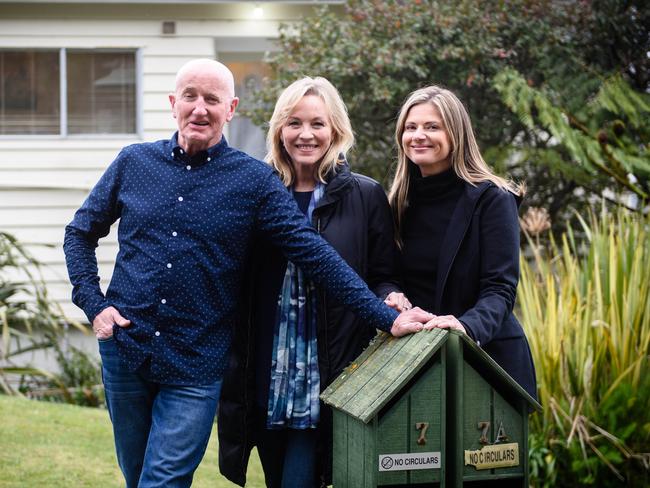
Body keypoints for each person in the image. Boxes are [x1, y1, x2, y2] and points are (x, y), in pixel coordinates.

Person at [63, 59, 432, 488]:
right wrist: (95, 305)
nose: (200, 109)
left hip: (196, 362)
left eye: (212, 99)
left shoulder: (252, 182)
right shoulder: (133, 162)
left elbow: (314, 253)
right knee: (137, 477)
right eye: (190, 97)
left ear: (231, 108)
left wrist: (387, 316)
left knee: (161, 481)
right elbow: (79, 233)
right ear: (173, 103)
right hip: (126, 350)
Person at [218, 77, 399, 487]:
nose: (306, 134)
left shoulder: (365, 195)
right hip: (264, 370)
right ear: (279, 129)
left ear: (335, 129)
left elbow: (382, 274)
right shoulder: (257, 189)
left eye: (317, 123)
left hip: (328, 369)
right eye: (294, 123)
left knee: (301, 477)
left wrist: (391, 297)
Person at [385, 85, 537, 398]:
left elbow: (500, 289)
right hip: (416, 363)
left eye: (432, 127)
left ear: (456, 134)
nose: (418, 135)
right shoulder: (397, 202)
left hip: (489, 361)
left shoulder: (493, 199)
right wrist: (391, 294)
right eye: (410, 127)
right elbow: (383, 274)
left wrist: (465, 326)